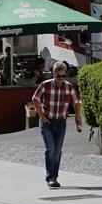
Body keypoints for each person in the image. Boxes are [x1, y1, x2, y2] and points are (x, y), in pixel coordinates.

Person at [32, 60, 82, 188]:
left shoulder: (69, 87)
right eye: (58, 76)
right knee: (51, 150)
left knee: (58, 152)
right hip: (47, 122)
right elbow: (35, 99)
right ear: (53, 74)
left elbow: (76, 102)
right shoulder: (45, 85)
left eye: (63, 76)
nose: (61, 79)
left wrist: (78, 115)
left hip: (61, 123)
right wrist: (42, 117)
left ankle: (55, 176)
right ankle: (50, 177)